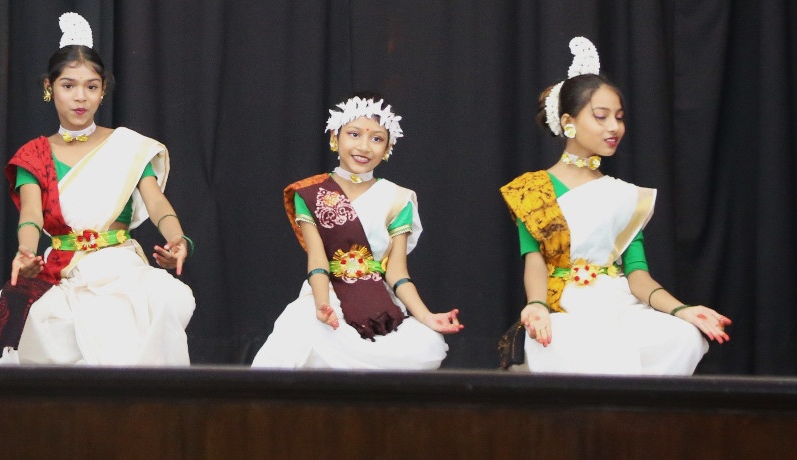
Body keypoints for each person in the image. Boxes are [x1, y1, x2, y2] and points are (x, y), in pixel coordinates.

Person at [500, 37, 730, 374]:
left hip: (620, 305)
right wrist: (535, 305)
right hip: (566, 308)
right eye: (601, 116)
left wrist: (682, 310)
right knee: (586, 346)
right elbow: (535, 263)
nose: (614, 127)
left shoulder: (624, 196)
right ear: (569, 122)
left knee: (684, 337)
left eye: (619, 118)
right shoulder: (532, 189)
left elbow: (638, 276)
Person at [0, 12, 195, 365]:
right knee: (16, 309)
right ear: (49, 88)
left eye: (91, 86)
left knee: (169, 298)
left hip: (121, 269)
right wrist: (26, 252)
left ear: (103, 91)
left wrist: (178, 240)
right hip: (64, 271)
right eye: (68, 85)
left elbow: (157, 204)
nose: (80, 97)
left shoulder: (128, 148)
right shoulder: (34, 155)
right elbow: (31, 215)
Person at [252, 96, 461, 369]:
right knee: (297, 332)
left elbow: (397, 273)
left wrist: (426, 316)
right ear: (334, 137)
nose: (364, 147)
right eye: (354, 134)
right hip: (326, 296)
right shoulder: (310, 193)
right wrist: (322, 306)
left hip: (377, 303)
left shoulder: (398, 198)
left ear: (388, 147)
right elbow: (318, 260)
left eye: (377, 139)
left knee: (428, 346)